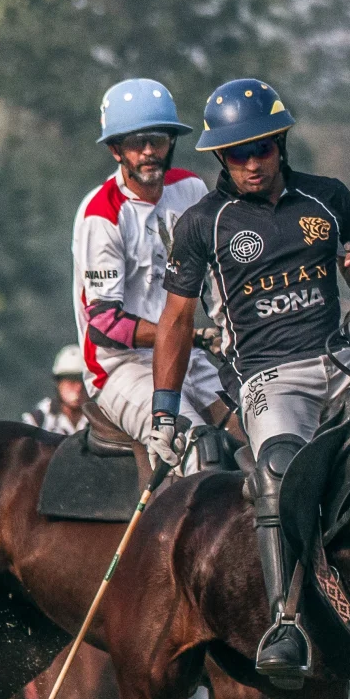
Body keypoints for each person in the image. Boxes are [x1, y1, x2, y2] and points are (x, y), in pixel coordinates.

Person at [150, 78, 350, 688]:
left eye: (262, 150)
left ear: (281, 143)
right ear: (221, 159)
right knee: (277, 467)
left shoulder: (329, 198)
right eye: (237, 154)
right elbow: (176, 319)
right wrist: (165, 414)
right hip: (267, 375)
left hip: (341, 356)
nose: (252, 163)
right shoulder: (203, 223)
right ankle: (285, 622)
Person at [73, 77, 234, 447]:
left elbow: (219, 278)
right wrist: (191, 336)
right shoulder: (103, 214)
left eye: (157, 140)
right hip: (121, 368)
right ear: (116, 150)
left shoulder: (191, 189)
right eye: (135, 143)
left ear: (171, 142)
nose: (148, 152)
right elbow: (102, 324)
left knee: (250, 435)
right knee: (197, 448)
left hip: (188, 359)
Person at [22, 345, 90, 436]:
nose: (79, 388)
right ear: (58, 383)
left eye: (83, 381)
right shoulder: (39, 420)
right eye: (72, 381)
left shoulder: (103, 418)